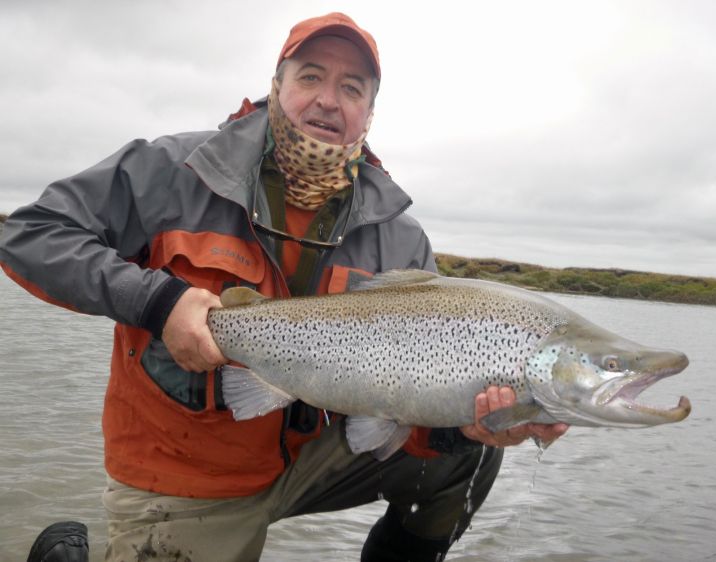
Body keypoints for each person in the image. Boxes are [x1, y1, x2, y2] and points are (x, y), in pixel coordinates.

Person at [3, 13, 567, 562]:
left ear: (369, 112)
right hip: (185, 472)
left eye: (352, 87)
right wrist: (157, 303)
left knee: (464, 461)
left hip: (315, 458)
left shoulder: (399, 238)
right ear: (275, 86)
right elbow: (29, 236)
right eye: (311, 76)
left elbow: (404, 414)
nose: (329, 99)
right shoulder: (173, 171)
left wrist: (462, 425)